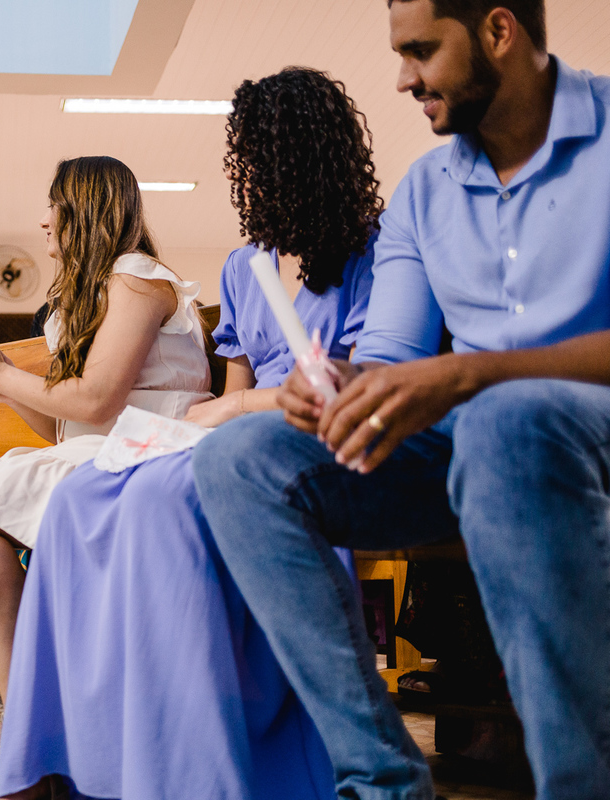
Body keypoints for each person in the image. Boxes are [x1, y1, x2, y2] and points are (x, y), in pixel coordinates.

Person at [194, 2, 610, 797]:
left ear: (498, 31)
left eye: (421, 51)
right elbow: (393, 356)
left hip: (570, 430)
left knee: (504, 421)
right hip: (469, 443)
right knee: (239, 459)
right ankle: (381, 780)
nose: (403, 77)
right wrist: (347, 392)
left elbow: (459, 383)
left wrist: (472, 377)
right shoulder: (425, 192)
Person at [0, 68, 380, 800]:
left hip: (321, 430)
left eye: (277, 160)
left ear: (325, 158)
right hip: (232, 434)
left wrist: (230, 416)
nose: (260, 178)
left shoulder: (374, 250)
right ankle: (83, 747)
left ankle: (201, 759)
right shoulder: (247, 264)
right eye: (252, 161)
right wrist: (221, 418)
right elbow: (230, 390)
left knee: (164, 502)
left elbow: (351, 376)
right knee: (85, 498)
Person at [0, 156, 212, 703]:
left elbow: (98, 402)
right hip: (98, 445)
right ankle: (43, 663)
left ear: (83, 208)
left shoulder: (139, 279)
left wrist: (4, 373)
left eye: (53, 205)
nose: (44, 220)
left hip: (152, 445)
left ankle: (24, 700)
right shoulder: (76, 299)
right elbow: (62, 421)